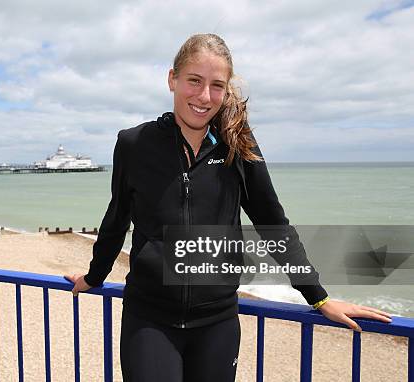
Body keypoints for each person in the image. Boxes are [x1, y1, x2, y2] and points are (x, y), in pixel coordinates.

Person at [65, 33, 392, 382]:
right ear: (172, 79)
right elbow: (116, 218)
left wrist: (318, 297)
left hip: (216, 323)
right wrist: (94, 276)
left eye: (216, 85)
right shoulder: (134, 143)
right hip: (149, 319)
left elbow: (272, 222)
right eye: (194, 80)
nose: (204, 96)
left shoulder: (238, 146)